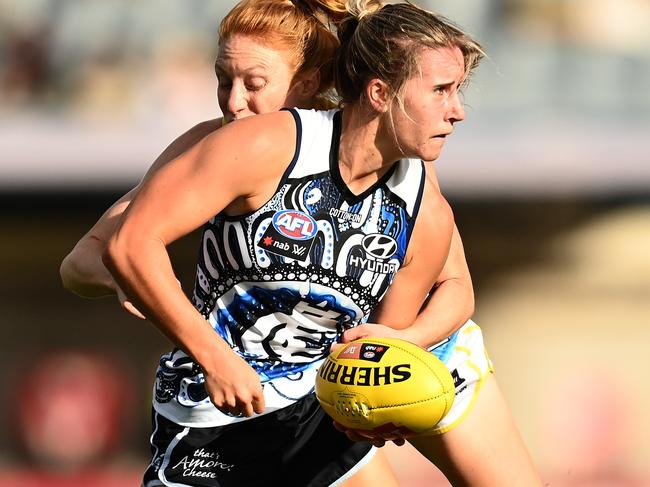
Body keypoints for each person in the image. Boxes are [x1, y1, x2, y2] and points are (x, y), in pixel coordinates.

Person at [62, 1, 542, 486]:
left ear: (308, 84)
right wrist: (146, 293)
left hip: (383, 361)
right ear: (378, 91)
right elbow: (109, 250)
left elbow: (448, 287)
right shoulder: (239, 146)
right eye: (223, 80)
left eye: (253, 83)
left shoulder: (418, 195)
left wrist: (394, 361)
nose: (233, 102)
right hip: (241, 400)